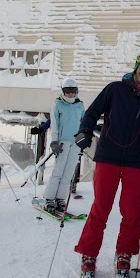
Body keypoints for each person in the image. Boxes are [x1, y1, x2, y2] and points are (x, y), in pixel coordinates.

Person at [73, 53, 140, 278]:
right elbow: (92, 113)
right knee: (101, 208)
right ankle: (89, 255)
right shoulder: (115, 89)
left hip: (135, 160)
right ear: (136, 69)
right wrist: (85, 130)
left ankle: (124, 254)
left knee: (131, 211)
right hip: (109, 157)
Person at [42, 78, 85, 213]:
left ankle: (61, 198)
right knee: (58, 172)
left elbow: (82, 123)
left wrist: (82, 140)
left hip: (75, 143)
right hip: (62, 142)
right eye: (67, 91)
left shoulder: (80, 106)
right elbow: (55, 124)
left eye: (73, 91)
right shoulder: (58, 105)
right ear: (63, 91)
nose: (70, 94)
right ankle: (49, 198)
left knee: (68, 173)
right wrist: (54, 141)